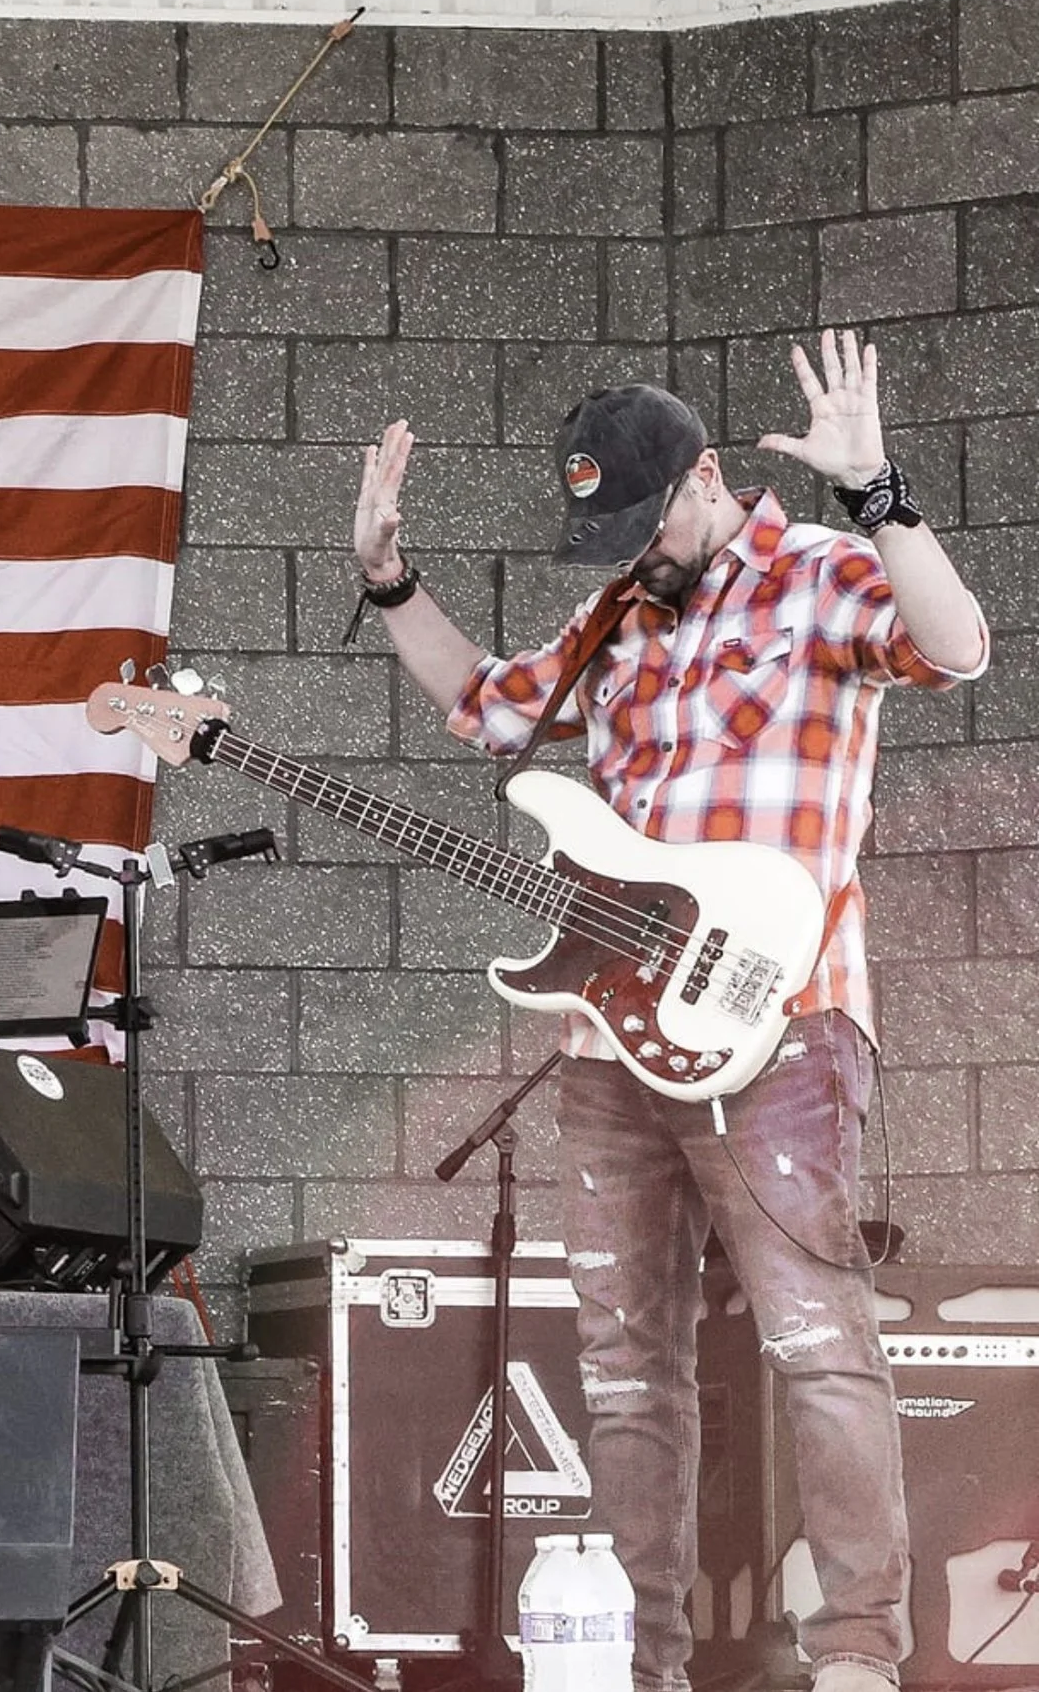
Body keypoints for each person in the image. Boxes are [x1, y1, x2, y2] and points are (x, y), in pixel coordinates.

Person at [349, 333, 986, 1692]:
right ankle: (642, 1667)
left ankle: (858, 1653)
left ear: (707, 476)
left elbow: (958, 645)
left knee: (816, 1335)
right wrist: (389, 579)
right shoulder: (616, 617)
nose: (634, 557)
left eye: (645, 526)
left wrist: (882, 494)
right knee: (628, 1364)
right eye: (609, 538)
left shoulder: (821, 574)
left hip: (791, 1016)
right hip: (613, 1039)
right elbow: (487, 707)